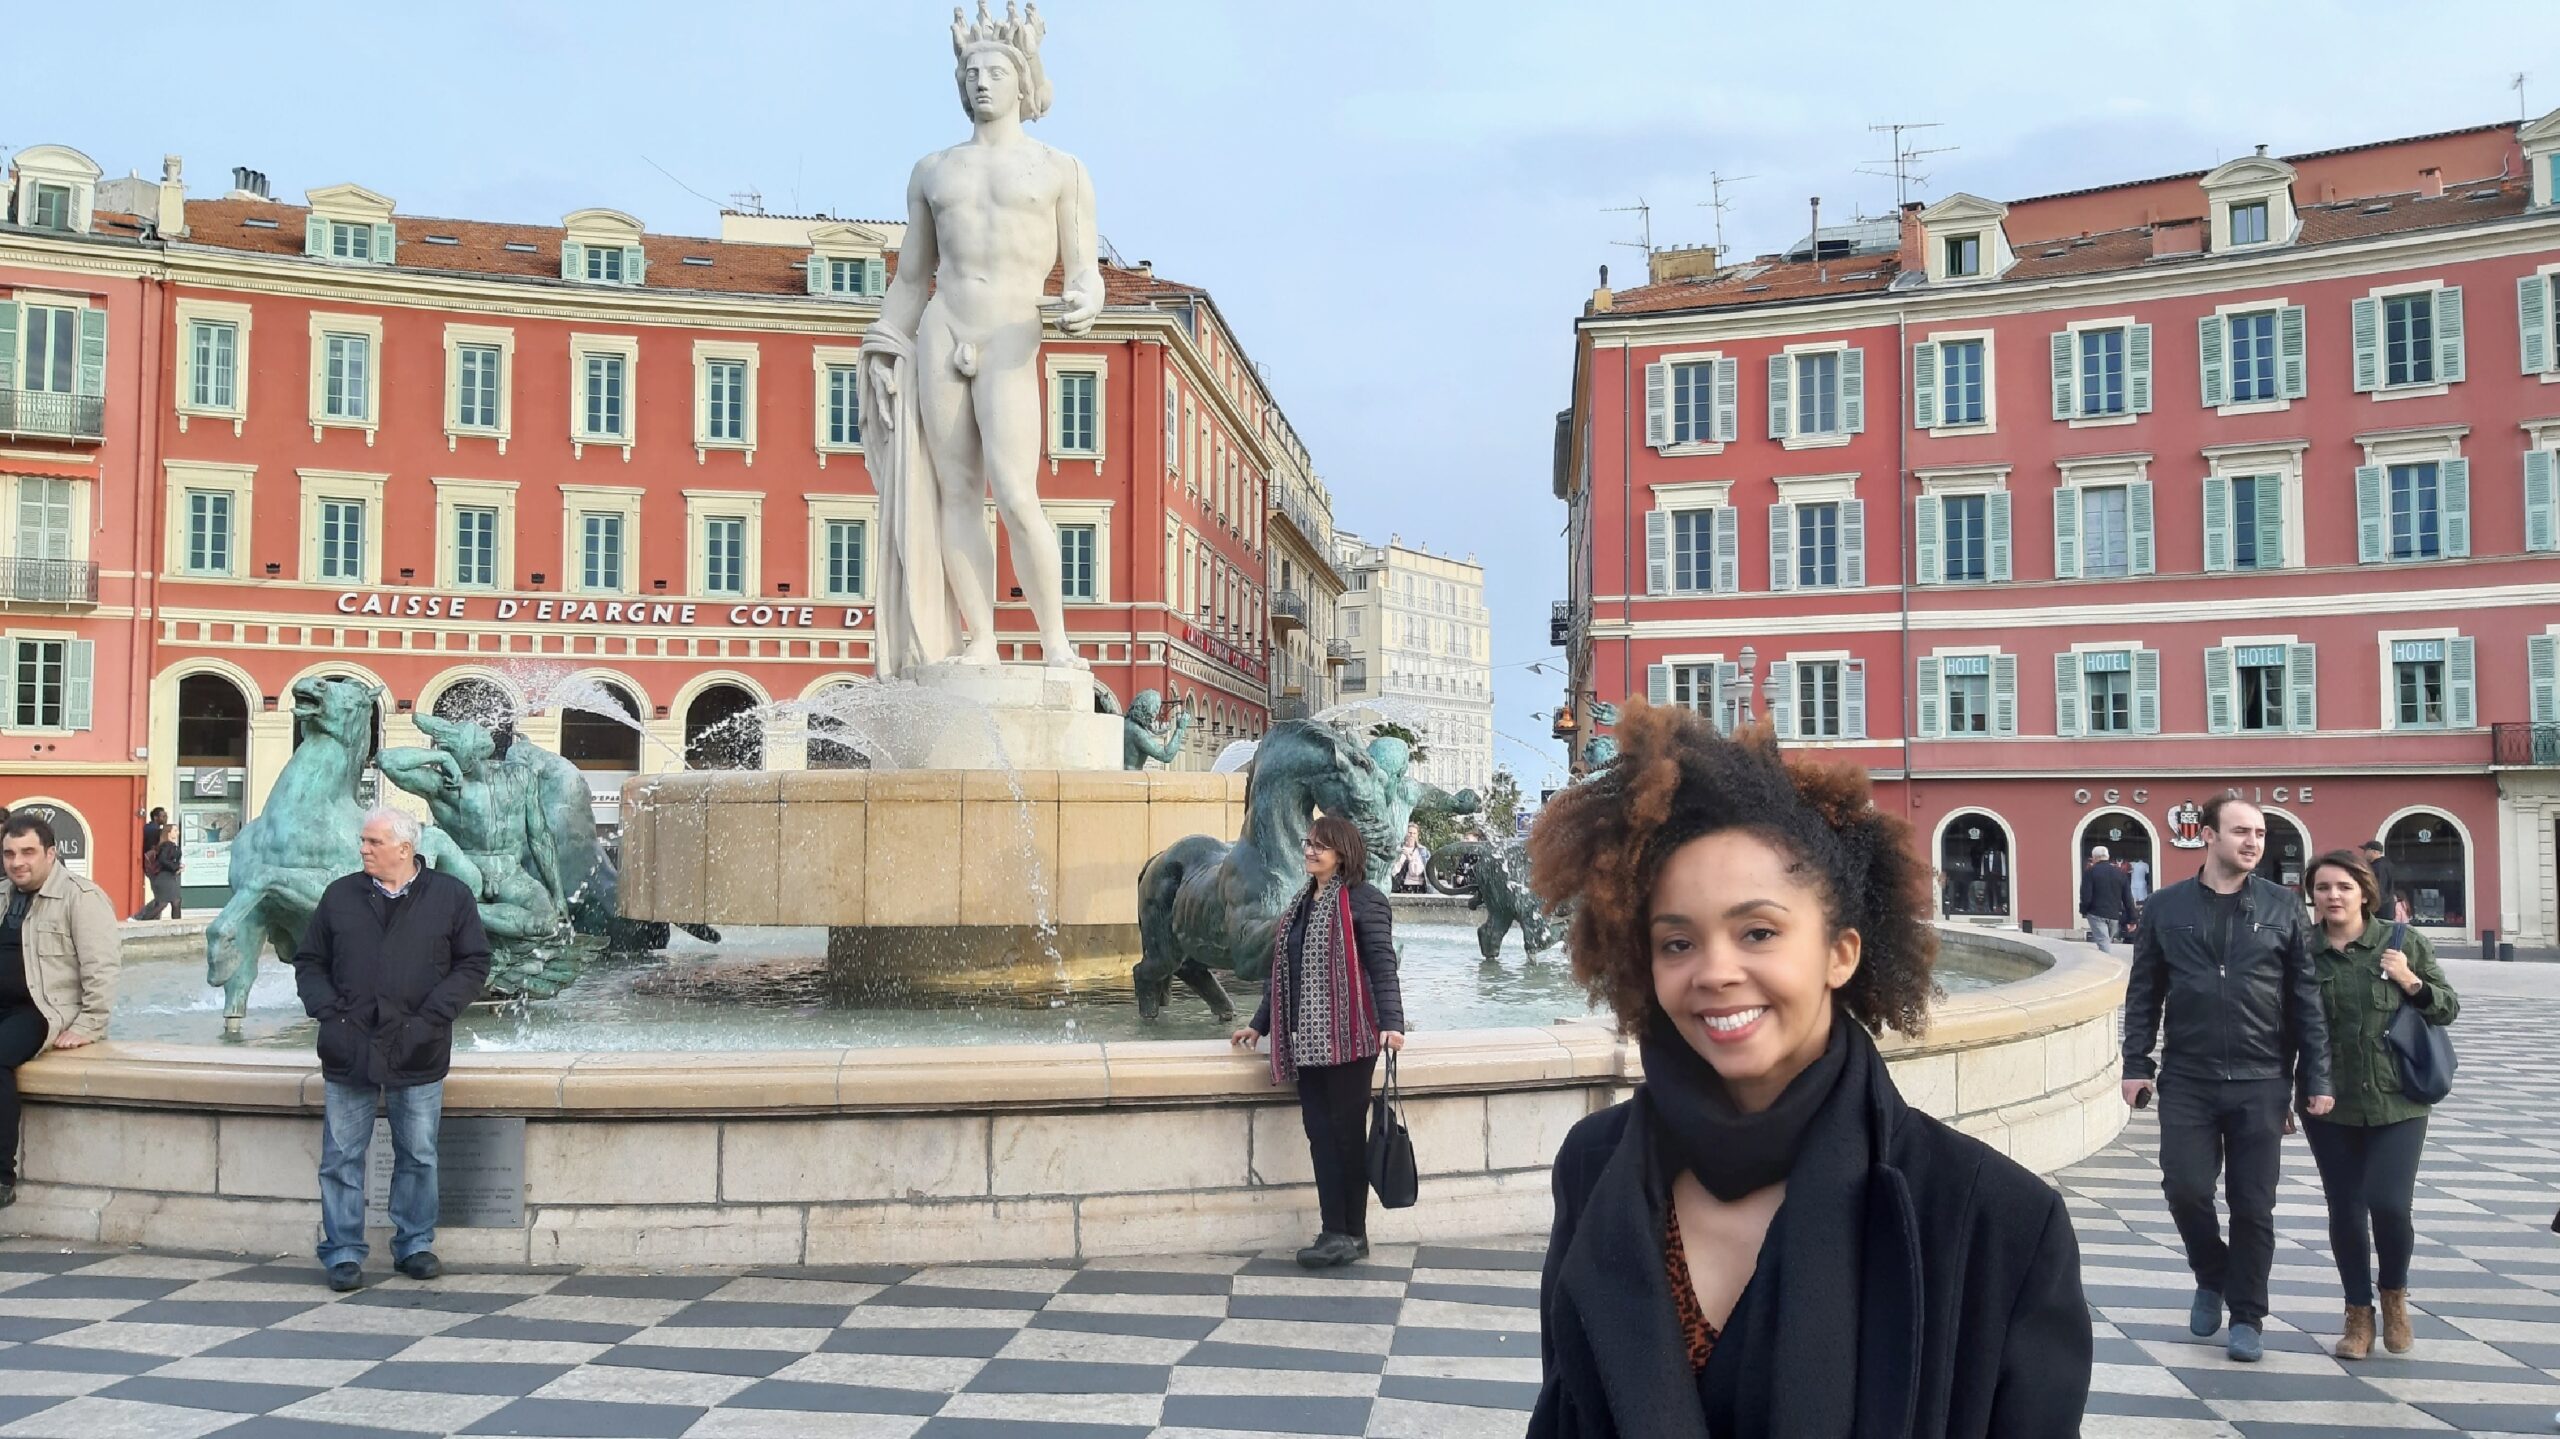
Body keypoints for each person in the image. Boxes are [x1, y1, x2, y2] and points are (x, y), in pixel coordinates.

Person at [1524, 705, 2089, 1435]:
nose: (1715, 971)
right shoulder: (1594, 1165)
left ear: (1840, 953)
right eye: (1676, 942)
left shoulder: (1996, 1220)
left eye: (1757, 931)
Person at [2122, 795, 2333, 1362]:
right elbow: (2144, 992)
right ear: (2208, 836)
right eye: (2241, 831)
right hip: (2188, 1078)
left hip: (2261, 1078)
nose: (2253, 842)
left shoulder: (2283, 907)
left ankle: (2247, 1316)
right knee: (2184, 1188)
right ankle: (2211, 1273)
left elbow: (2305, 1000)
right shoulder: (2165, 907)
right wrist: (2135, 1064)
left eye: (2260, 833)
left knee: (2253, 1204)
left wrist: (2315, 1076)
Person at [292, 807, 490, 1291]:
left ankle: (415, 1244)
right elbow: (310, 961)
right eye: (364, 841)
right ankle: (342, 1252)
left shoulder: (450, 896)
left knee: (419, 1153)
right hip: (348, 1046)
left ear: (404, 848)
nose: (363, 849)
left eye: (373, 842)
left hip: (418, 1046)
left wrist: (431, 1018)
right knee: (340, 1156)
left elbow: (473, 962)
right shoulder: (340, 895)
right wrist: (330, 1014)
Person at [1230, 813, 1406, 1269]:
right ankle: (1341, 1232)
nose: (1309, 851)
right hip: (1307, 1040)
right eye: (1308, 844)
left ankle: (1347, 1233)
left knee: (1345, 1137)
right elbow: (1282, 974)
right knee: (1321, 1135)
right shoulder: (1300, 904)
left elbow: (1382, 964)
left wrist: (1393, 1022)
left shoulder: (1366, 901)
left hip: (1351, 1038)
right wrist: (1259, 1025)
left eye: (1319, 846)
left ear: (1342, 853)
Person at [2302, 849, 2457, 1360]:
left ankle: (2394, 1297)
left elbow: (2447, 1007)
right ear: (2313, 896)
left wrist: (2411, 981)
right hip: (2329, 1101)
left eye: (2343, 887)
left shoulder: (2402, 941)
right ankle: (2357, 1315)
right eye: (2323, 888)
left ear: (2364, 892)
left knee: (2389, 1205)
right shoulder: (2302, 951)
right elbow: (2284, 1026)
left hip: (2398, 1100)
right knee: (2345, 1210)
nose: (2333, 896)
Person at [0, 813, 120, 1208]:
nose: (18, 862)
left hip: (40, 1010)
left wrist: (90, 1023)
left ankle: (2, 1177)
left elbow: (101, 966)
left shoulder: (80, 897)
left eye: (28, 852)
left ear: (51, 854)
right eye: (9, 853)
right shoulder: (1, 894)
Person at [2080, 844, 2132, 952]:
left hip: (2096, 913)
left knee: (2103, 942)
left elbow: (2086, 895)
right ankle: (2107, 963)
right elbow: (2128, 898)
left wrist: (2084, 910)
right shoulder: (2120, 873)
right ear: (2107, 857)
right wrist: (2132, 918)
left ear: (2094, 858)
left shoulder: (2090, 873)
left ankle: (2108, 966)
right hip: (2114, 914)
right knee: (2107, 941)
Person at [133, 817, 183, 921]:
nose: (177, 833)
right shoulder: (166, 846)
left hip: (170, 877)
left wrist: (178, 867)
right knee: (163, 902)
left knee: (176, 901)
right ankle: (143, 919)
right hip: (164, 878)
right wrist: (176, 866)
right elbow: (163, 860)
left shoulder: (172, 846)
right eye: (175, 830)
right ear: (168, 833)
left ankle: (177, 923)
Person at [2359, 839, 2405, 923]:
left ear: (2374, 852)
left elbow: (2378, 888)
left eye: (2366, 850)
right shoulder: (2387, 864)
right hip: (2387, 908)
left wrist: (2371, 907)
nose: (2364, 853)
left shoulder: (2378, 867)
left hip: (2380, 910)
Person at [1393, 822, 1428, 892]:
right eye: (1409, 832)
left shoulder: (1421, 851)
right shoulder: (1398, 849)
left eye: (1414, 833)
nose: (1411, 835)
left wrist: (1410, 858)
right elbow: (1393, 871)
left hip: (1417, 886)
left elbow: (1415, 872)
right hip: (1397, 886)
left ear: (1417, 835)